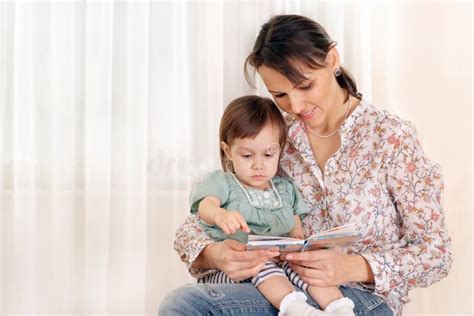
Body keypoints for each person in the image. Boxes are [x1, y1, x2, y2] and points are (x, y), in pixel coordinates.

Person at [159, 14, 452, 316]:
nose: (296, 106)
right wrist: (216, 254)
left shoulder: (390, 137)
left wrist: (353, 267)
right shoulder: (274, 141)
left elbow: (436, 253)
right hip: (282, 290)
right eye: (280, 95)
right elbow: (191, 231)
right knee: (186, 304)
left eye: (305, 85)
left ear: (332, 60)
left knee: (187, 306)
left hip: (362, 300)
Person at [190, 95, 356, 315]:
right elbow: (206, 205)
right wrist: (219, 215)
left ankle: (340, 308)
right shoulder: (224, 183)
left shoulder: (285, 189)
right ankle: (298, 310)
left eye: (269, 154)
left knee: (306, 267)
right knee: (262, 266)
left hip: (279, 263)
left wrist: (301, 248)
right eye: (247, 155)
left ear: (279, 150)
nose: (259, 165)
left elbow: (297, 233)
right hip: (239, 269)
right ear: (228, 151)